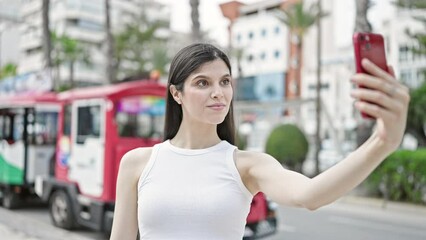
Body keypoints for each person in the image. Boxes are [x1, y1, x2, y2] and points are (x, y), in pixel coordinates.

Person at [110, 43, 410, 240]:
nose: (219, 92)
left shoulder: (247, 165)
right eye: (203, 83)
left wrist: (382, 142)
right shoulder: (138, 163)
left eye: (225, 81)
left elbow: (311, 195)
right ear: (176, 94)